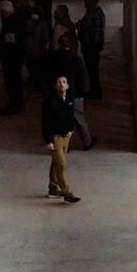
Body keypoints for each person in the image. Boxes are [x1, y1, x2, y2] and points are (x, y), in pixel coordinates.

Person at [42, 74, 80, 204]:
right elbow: (45, 123)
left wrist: (71, 130)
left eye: (64, 82)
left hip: (66, 137)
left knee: (56, 162)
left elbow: (71, 115)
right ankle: (67, 193)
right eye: (59, 82)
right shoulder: (50, 102)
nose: (62, 84)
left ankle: (53, 188)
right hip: (55, 138)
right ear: (55, 86)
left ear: (67, 85)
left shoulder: (69, 99)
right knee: (62, 164)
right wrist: (48, 141)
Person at [0, 0, 27, 114]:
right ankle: (17, 103)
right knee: (16, 81)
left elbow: (9, 44)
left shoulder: (9, 25)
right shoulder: (17, 21)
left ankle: (14, 105)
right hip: (17, 56)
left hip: (11, 58)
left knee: (12, 82)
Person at [78, 0, 106, 100]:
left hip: (91, 45)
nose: (85, 3)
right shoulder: (96, 12)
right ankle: (95, 91)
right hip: (94, 44)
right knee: (92, 69)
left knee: (92, 69)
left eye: (87, 0)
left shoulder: (93, 13)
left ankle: (95, 92)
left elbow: (84, 26)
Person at [22, 0, 51, 95]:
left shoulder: (43, 24)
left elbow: (45, 38)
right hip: (29, 51)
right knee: (32, 69)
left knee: (38, 71)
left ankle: (39, 87)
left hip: (38, 51)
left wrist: (42, 50)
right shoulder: (29, 22)